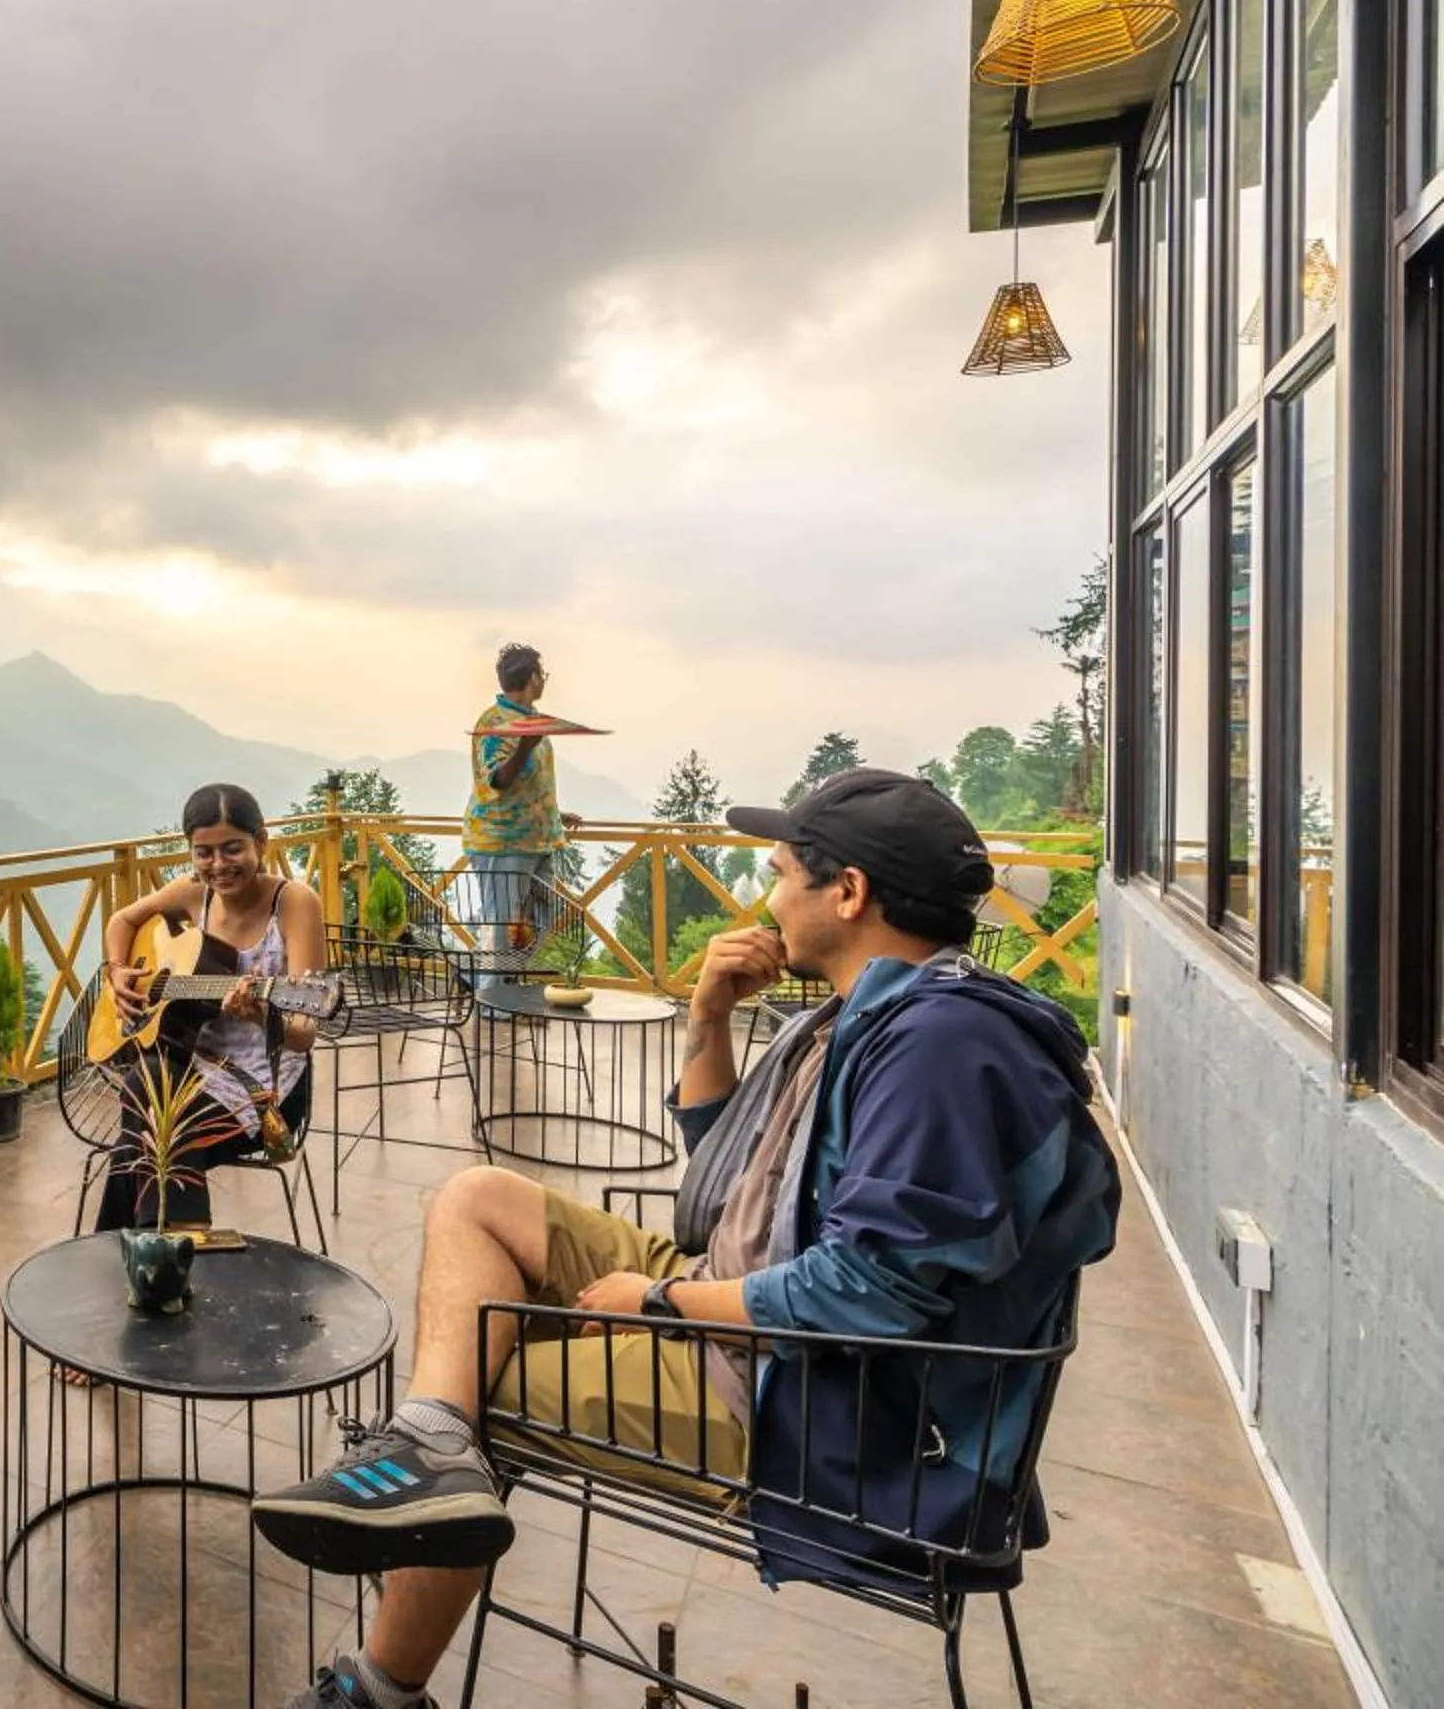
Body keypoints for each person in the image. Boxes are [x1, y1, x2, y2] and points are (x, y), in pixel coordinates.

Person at [252, 768, 1120, 1709]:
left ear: (850, 892)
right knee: (477, 1198)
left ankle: (382, 1683)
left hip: (806, 1393)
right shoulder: (869, 1013)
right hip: (742, 1288)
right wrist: (707, 1019)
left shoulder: (938, 1048)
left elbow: (871, 1289)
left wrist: (660, 1305)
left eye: (784, 873)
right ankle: (430, 1445)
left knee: (482, 1383)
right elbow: (727, 1184)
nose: (771, 896)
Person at [91, 782, 327, 1231]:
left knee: (146, 1121)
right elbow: (122, 920)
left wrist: (263, 1014)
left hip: (265, 1087)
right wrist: (117, 969)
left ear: (262, 842)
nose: (218, 865)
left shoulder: (293, 902)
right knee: (151, 1100)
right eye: (204, 852)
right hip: (190, 1066)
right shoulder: (191, 894)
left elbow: (304, 1033)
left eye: (232, 848)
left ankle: (155, 1252)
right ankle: (170, 1252)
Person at [465, 644, 582, 953]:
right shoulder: (495, 723)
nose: (544, 680)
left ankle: (479, 980)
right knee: (503, 935)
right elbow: (498, 780)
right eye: (542, 674)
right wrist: (524, 748)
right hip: (502, 843)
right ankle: (487, 993)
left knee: (537, 927)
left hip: (537, 840)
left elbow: (530, 781)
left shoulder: (531, 720)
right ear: (533, 678)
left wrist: (552, 814)